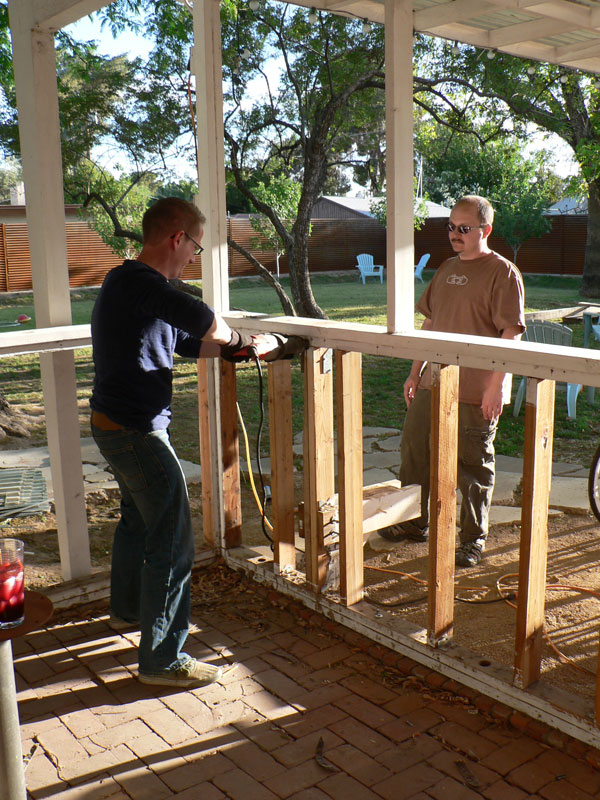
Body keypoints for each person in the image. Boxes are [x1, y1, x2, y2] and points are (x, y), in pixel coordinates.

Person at [90, 197, 264, 688]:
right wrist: (230, 337)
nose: (194, 256)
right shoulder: (139, 282)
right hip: (135, 431)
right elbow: (202, 319)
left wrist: (241, 349)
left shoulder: (133, 287)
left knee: (137, 523)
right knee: (172, 540)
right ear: (176, 238)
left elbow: (187, 342)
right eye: (196, 246)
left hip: (115, 425)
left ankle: (126, 612)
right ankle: (163, 659)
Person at [378, 195, 525, 568]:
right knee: (415, 452)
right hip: (434, 382)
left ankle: (471, 540)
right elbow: (430, 323)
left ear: (485, 230)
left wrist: (496, 387)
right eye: (450, 227)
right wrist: (415, 371)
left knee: (472, 466)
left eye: (464, 228)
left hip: (478, 390)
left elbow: (512, 333)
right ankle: (414, 522)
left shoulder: (503, 273)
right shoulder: (445, 269)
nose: (455, 235)